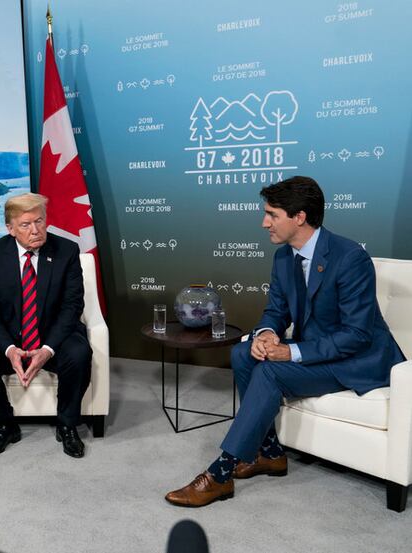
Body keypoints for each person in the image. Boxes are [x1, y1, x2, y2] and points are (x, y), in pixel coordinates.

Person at [165, 176, 405, 507]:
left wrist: (290, 350)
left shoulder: (350, 258)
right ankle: (271, 453)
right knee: (243, 354)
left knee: (270, 372)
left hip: (356, 360)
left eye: (272, 214)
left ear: (300, 217)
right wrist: (266, 334)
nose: (264, 223)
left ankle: (221, 473)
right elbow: (276, 311)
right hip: (319, 354)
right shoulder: (283, 258)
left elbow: (357, 335)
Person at [0, 192, 91, 458]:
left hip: (52, 335)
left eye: (40, 221)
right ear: (10, 229)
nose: (35, 230)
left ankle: (67, 425)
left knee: (79, 353)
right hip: (9, 336)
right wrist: (9, 349)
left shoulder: (66, 251)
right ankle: (4, 424)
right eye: (25, 225)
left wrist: (47, 349)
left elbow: (72, 307)